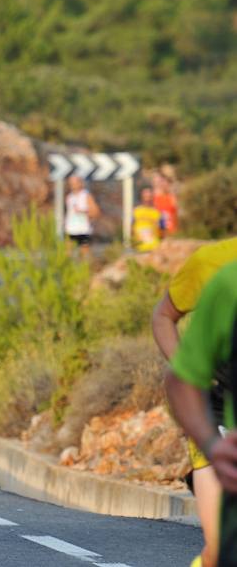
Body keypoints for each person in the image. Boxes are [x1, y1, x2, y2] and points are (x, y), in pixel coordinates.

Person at [153, 237, 237, 567]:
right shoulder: (218, 270)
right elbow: (163, 317)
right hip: (219, 419)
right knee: (219, 551)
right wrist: (209, 442)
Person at [64, 175, 99, 258]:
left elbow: (96, 212)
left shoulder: (86, 196)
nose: (73, 185)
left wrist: (83, 212)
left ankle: (86, 269)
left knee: (84, 254)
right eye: (71, 183)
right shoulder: (69, 197)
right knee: (67, 252)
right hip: (71, 229)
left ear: (80, 183)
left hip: (83, 229)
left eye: (75, 183)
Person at [132, 186, 163, 252]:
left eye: (149, 193)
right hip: (139, 247)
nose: (148, 195)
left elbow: (162, 230)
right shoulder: (136, 211)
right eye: (145, 193)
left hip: (154, 247)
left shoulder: (157, 212)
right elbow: (131, 229)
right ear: (141, 196)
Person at [153, 169, 178, 237]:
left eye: (162, 181)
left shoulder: (171, 197)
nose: (161, 184)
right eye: (157, 181)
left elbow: (175, 211)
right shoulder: (152, 198)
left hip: (171, 231)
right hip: (157, 233)